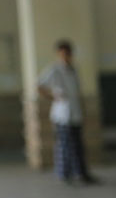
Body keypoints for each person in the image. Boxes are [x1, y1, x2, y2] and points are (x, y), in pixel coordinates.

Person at [37, 39, 96, 184]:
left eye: (68, 53)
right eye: (63, 53)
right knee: (65, 145)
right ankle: (65, 174)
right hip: (62, 115)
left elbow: (77, 92)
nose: (66, 56)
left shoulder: (74, 70)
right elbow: (39, 85)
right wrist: (53, 97)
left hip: (75, 114)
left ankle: (81, 173)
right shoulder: (54, 69)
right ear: (58, 53)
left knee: (78, 145)